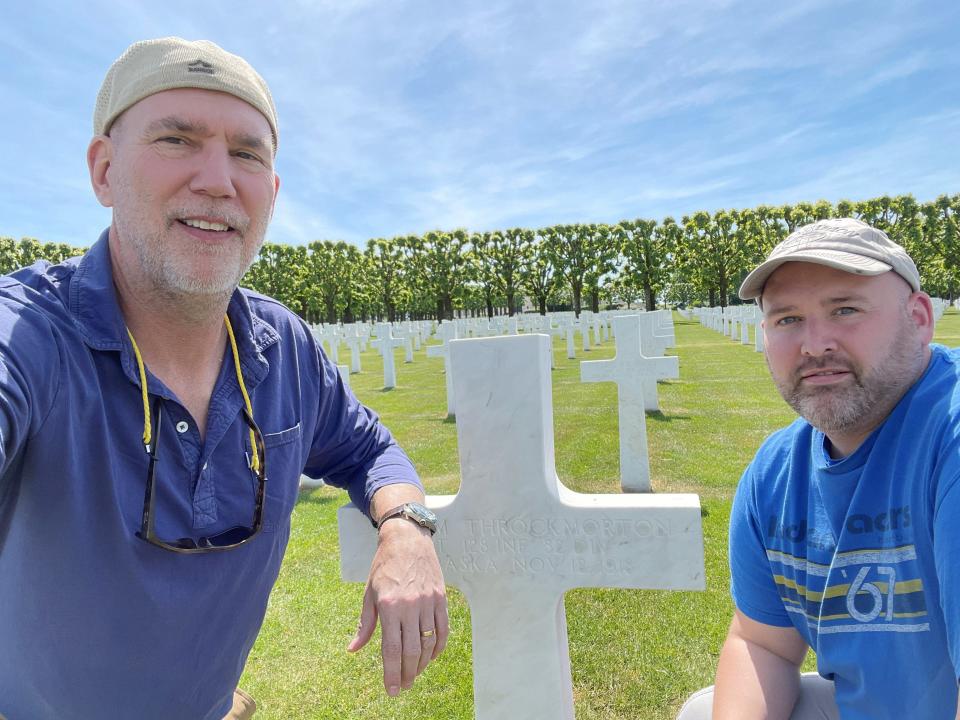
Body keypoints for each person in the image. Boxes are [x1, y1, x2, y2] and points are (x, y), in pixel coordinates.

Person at [0, 38, 447, 720]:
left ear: (271, 191)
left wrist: (408, 528)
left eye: (247, 153)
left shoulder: (285, 350)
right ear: (103, 170)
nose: (217, 180)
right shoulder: (31, 335)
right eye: (177, 139)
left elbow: (365, 449)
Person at [677, 218, 960, 719]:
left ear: (918, 319)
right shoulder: (773, 475)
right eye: (788, 319)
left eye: (844, 309)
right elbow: (761, 644)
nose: (813, 345)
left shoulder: (948, 433)